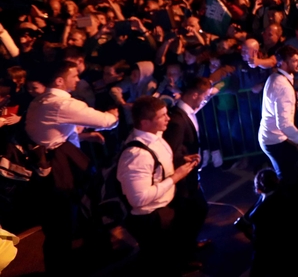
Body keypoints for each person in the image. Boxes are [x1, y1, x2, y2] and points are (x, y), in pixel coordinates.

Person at [24, 60, 120, 274]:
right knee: (65, 224)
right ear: (60, 80)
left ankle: (69, 262)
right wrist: (114, 115)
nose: (78, 79)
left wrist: (84, 136)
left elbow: (53, 134)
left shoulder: (38, 102)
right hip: (63, 174)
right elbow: (105, 121)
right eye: (74, 75)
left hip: (47, 172)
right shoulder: (62, 104)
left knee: (61, 226)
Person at [117, 96, 199, 275]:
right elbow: (138, 199)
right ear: (145, 123)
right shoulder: (137, 155)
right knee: (160, 261)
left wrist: (182, 160)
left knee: (171, 253)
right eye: (162, 116)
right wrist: (176, 177)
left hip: (164, 208)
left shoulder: (155, 136)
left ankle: (181, 264)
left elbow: (158, 165)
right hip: (151, 219)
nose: (168, 118)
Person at [163, 76, 214, 268]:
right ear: (194, 95)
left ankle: (190, 247)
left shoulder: (187, 111)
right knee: (189, 215)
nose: (204, 100)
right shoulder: (177, 120)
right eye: (203, 96)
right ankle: (184, 258)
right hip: (183, 178)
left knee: (197, 211)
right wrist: (186, 160)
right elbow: (171, 152)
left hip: (191, 174)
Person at [257, 45, 298, 188]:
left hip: (271, 137)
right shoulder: (283, 86)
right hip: (275, 139)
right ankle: (293, 206)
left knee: (293, 171)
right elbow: (284, 124)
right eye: (294, 61)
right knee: (289, 177)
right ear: (283, 63)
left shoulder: (275, 77)